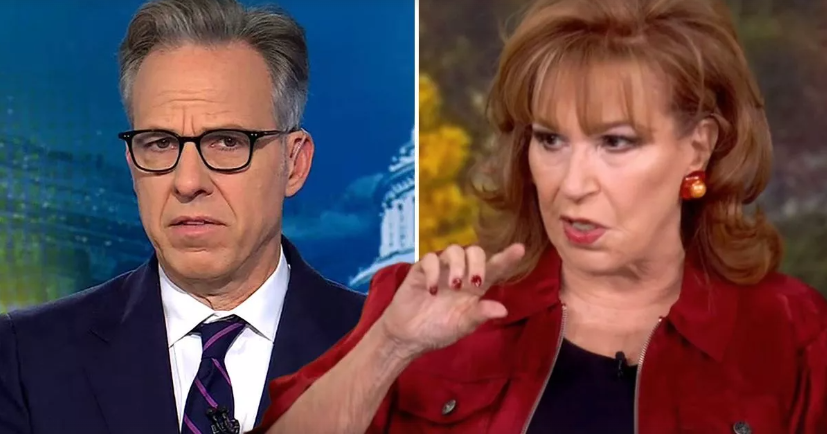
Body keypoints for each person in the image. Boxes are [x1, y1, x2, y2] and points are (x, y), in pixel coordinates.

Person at [252, 0, 827, 433]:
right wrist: (389, 349)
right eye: (551, 140)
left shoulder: (792, 333)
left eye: (615, 142)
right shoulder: (415, 306)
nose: (572, 185)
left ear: (698, 147)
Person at [0, 1, 365, 433]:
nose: (188, 181)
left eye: (227, 142)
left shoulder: (391, 352)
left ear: (294, 163)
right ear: (132, 165)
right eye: (159, 143)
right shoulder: (24, 358)